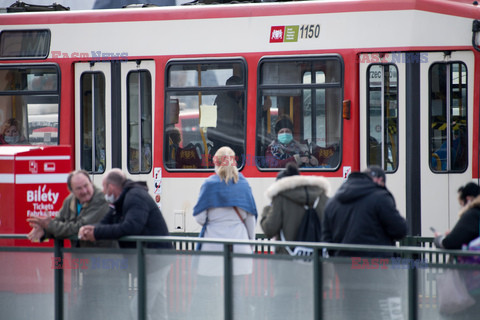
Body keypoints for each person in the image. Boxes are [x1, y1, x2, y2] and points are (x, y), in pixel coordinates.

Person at [78, 168, 172, 320]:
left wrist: (96, 234)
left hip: (154, 260)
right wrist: (93, 228)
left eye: (104, 187)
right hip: (154, 260)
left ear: (111, 187)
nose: (103, 191)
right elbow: (107, 220)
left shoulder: (135, 197)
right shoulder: (122, 200)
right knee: (158, 311)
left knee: (137, 309)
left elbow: (131, 227)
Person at [322, 166, 408, 320]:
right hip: (379, 273)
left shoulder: (333, 202)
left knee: (354, 313)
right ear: (379, 180)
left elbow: (327, 240)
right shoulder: (380, 197)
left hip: (346, 272)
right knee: (386, 313)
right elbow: (400, 230)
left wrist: (341, 259)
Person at [190, 146, 257, 319]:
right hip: (240, 247)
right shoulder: (243, 184)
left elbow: (199, 217)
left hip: (212, 248)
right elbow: (251, 221)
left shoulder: (209, 184)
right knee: (237, 294)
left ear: (215, 162)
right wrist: (250, 244)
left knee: (206, 291)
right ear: (235, 161)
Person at [260, 162, 330, 319]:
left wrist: (267, 210)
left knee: (282, 309)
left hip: (288, 267)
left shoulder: (281, 198)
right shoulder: (322, 196)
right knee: (312, 310)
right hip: (319, 266)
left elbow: (269, 229)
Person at [27, 169, 113, 248]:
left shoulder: (101, 199)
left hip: (103, 257)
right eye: (79, 188)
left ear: (91, 183)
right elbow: (58, 221)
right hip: (79, 258)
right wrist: (45, 231)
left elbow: (80, 228)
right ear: (71, 190)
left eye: (86, 186)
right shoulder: (70, 200)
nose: (84, 191)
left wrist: (49, 226)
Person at [434, 182, 480, 318]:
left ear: (469, 199)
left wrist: (439, 239)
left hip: (473, 281)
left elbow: (451, 242)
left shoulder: (473, 215)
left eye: (461, 203)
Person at [208, 76, 245, 160]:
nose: (241, 93)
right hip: (227, 150)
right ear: (235, 90)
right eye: (240, 89)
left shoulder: (221, 101)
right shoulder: (229, 105)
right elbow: (228, 132)